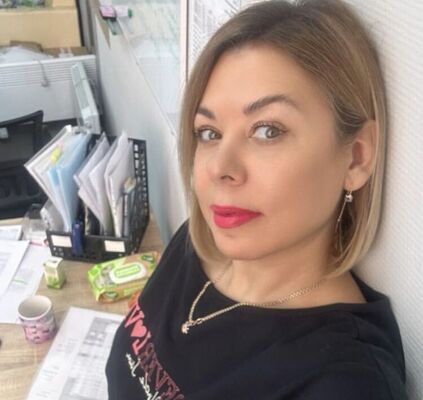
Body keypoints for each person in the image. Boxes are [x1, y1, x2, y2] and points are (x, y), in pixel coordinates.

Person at [106, 0, 408, 398]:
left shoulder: (344, 383)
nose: (220, 168)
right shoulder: (194, 243)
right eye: (209, 133)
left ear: (356, 157)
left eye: (267, 130)